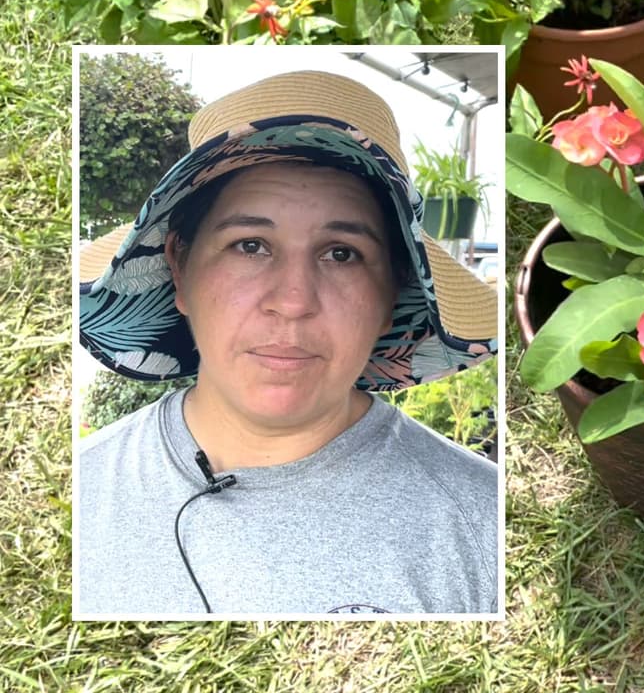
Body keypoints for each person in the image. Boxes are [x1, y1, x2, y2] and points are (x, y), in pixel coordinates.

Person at [75, 69, 500, 616]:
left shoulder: (480, 524)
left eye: (341, 253)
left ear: (394, 290)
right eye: (250, 245)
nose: (294, 300)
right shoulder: (76, 491)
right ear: (181, 269)